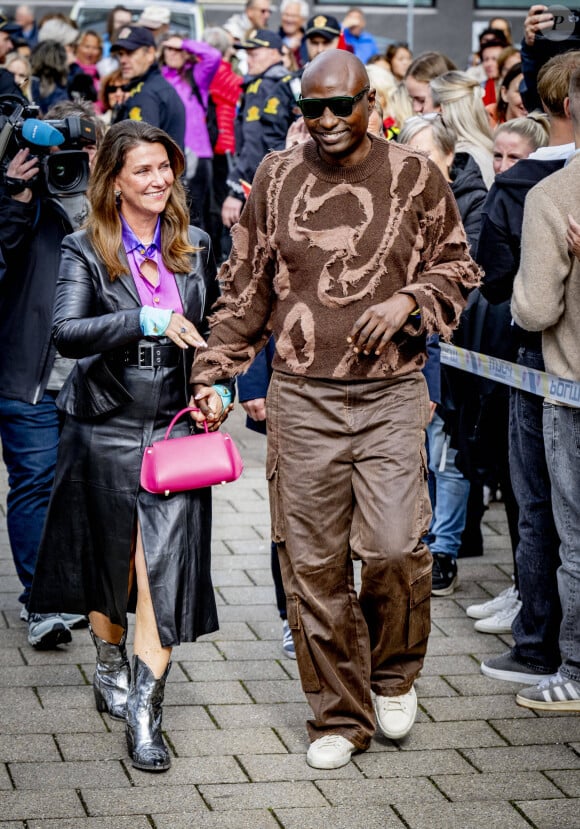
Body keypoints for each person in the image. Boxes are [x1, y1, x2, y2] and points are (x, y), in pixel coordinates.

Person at [191, 49, 480, 770]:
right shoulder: (275, 176)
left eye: (338, 105)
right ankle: (339, 714)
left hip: (388, 394)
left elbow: (459, 266)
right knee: (312, 566)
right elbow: (245, 286)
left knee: (392, 548)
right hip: (301, 397)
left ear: (369, 104)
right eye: (310, 107)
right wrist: (214, 372)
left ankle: (392, 673)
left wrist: (410, 299)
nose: (323, 120)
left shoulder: (416, 174)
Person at [28, 120, 230, 771]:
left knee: (160, 572)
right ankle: (109, 659)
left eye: (164, 167)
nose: (159, 179)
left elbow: (219, 333)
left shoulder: (195, 243)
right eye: (143, 170)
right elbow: (68, 333)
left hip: (175, 430)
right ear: (114, 180)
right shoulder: (85, 246)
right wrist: (144, 318)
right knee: (110, 569)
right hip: (102, 428)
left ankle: (146, 711)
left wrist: (218, 390)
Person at [478, 51, 579, 674]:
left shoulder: (539, 190)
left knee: (548, 514)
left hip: (554, 371)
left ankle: (551, 651)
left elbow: (525, 303)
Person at [0, 100, 102, 649]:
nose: (74, 162)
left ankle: (73, 589)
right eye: (62, 151)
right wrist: (14, 195)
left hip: (97, 380)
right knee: (36, 483)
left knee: (85, 490)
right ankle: (41, 602)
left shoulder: (115, 205)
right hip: (30, 376)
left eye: (86, 149)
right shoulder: (22, 201)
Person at [508, 67, 580, 713]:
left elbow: (532, 309)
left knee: (576, 540)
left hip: (572, 386)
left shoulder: (556, 195)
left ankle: (577, 671)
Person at [398, 114, 488, 596]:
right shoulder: (396, 201)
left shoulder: (470, 203)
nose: (419, 166)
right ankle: (417, 542)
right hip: (415, 346)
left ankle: (444, 549)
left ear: (450, 157)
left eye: (427, 156)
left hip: (456, 345)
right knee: (419, 453)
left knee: (447, 452)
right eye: (409, 156)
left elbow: (462, 277)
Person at [220, 29, 290, 230]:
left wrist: (236, 190)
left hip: (259, 183)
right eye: (246, 55)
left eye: (254, 54)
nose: (248, 61)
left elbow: (255, 142)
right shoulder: (285, 82)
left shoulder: (264, 86)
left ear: (275, 53)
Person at [160, 33, 221, 229]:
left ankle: (198, 259)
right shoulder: (159, 78)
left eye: (179, 50)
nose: (174, 53)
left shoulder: (196, 76)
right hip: (167, 156)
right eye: (169, 48)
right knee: (168, 216)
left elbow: (214, 56)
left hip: (199, 155)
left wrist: (185, 43)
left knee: (195, 217)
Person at [111, 25, 186, 150]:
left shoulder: (147, 93)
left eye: (130, 53)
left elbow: (141, 149)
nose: (123, 60)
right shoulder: (157, 86)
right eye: (121, 54)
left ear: (150, 53)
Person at [430, 71, 495, 188]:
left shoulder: (461, 159)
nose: (418, 108)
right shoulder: (483, 147)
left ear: (441, 110)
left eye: (422, 101)